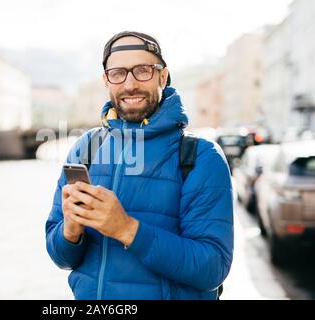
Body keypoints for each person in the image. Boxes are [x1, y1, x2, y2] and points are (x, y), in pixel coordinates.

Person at [45, 31, 234, 300]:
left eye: (143, 70)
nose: (130, 84)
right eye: (118, 73)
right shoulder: (86, 148)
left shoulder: (200, 156)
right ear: (106, 80)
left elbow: (213, 268)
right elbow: (60, 258)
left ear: (162, 76)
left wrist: (127, 229)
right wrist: (71, 230)